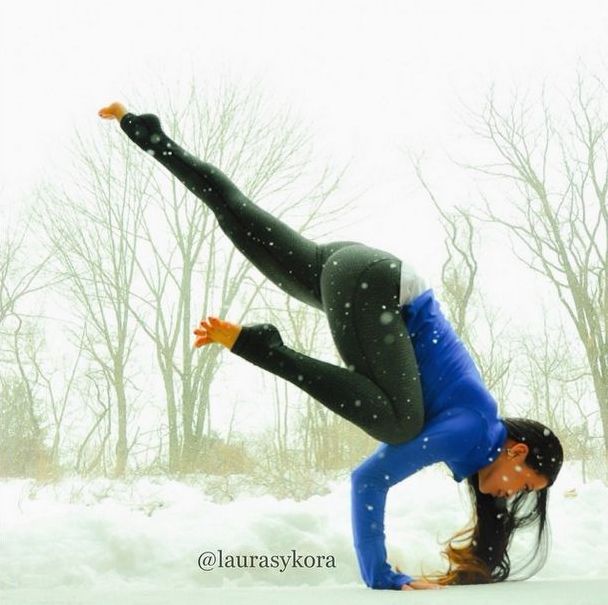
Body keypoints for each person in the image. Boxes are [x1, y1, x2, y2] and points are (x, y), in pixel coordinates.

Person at [98, 102, 564, 589]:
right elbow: (369, 479)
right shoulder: (470, 432)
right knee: (399, 423)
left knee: (239, 216)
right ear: (516, 451)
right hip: (378, 290)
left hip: (357, 272)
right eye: (527, 483)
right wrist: (380, 575)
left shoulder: (472, 435)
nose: (513, 496)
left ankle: (149, 135)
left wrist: (136, 129)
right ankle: (264, 346)